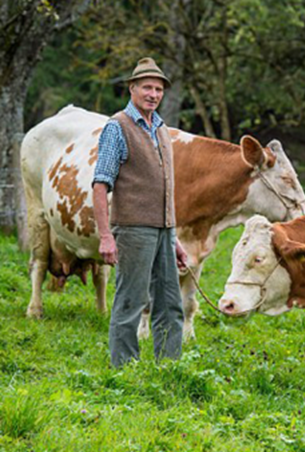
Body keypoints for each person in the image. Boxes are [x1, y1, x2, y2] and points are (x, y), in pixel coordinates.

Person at [92, 57, 187, 368]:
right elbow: (100, 184)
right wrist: (106, 236)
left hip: (163, 230)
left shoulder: (160, 128)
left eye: (158, 89)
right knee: (131, 302)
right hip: (132, 229)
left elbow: (164, 186)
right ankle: (124, 371)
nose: (153, 94)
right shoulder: (116, 127)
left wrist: (174, 237)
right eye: (147, 87)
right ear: (132, 88)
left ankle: (168, 368)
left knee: (171, 304)